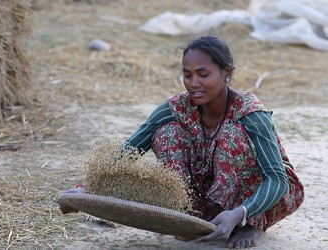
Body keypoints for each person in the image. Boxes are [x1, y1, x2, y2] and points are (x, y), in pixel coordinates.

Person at [59, 35, 304, 249]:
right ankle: (189, 213)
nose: (194, 83)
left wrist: (241, 213)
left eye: (203, 74)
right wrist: (87, 188)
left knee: (232, 136)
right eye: (187, 75)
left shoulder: (250, 114)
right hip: (206, 193)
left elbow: (277, 179)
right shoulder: (177, 106)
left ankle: (251, 223)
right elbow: (132, 148)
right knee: (167, 133)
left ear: (227, 73)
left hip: (258, 198)